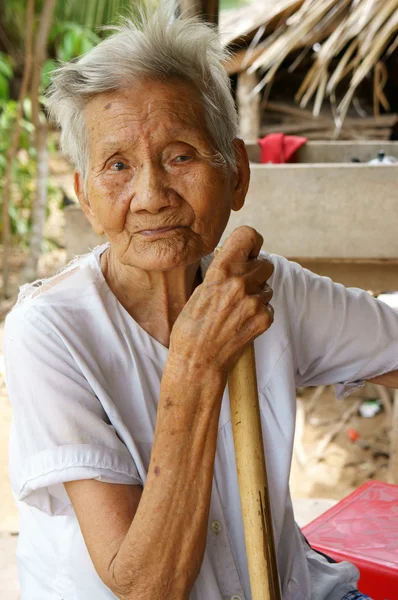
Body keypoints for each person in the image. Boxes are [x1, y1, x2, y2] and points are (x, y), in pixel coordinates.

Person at [4, 6, 395, 600]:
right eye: (117, 166)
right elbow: (148, 587)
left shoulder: (263, 289)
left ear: (236, 173)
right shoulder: (49, 333)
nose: (151, 194)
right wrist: (196, 361)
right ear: (85, 197)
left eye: (181, 155)